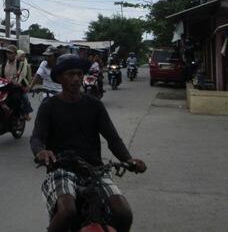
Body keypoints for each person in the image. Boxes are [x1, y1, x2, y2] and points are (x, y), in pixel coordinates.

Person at [30, 54, 147, 232]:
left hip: (95, 170)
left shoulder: (94, 105)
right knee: (67, 211)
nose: (76, 78)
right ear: (60, 77)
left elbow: (113, 139)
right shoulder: (49, 106)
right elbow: (36, 137)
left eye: (79, 74)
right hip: (61, 169)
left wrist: (129, 160)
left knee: (123, 213)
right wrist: (41, 152)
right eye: (70, 74)